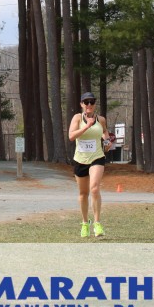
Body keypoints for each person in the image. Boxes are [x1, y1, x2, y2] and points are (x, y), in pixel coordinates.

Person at [69, 92, 114, 237]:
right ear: (81, 104)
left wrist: (107, 142)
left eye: (92, 102)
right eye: (86, 102)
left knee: (94, 188)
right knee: (83, 194)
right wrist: (86, 126)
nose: (89, 105)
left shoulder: (101, 119)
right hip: (80, 159)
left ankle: (97, 223)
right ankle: (84, 223)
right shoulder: (77, 118)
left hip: (97, 157)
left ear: (95, 104)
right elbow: (71, 136)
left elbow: (105, 132)